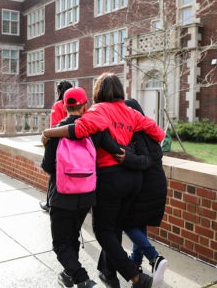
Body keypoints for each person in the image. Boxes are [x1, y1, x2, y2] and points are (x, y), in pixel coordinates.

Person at [42, 73, 165, 288]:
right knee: (114, 228)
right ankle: (109, 274)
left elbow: (78, 127)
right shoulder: (132, 112)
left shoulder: (98, 111)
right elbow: (159, 134)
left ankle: (136, 276)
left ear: (98, 92)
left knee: (103, 230)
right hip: (133, 179)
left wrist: (48, 133)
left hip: (109, 178)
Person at [42, 87, 125, 288]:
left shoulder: (56, 131)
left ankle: (83, 279)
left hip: (62, 196)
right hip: (86, 195)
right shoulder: (94, 129)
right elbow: (117, 150)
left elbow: (47, 166)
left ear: (64, 106)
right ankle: (69, 275)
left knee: (61, 244)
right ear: (85, 106)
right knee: (72, 237)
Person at [114, 99, 168, 288]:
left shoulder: (135, 132)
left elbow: (144, 161)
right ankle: (135, 264)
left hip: (145, 187)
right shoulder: (150, 130)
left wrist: (126, 158)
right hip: (157, 184)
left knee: (125, 222)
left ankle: (154, 258)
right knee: (139, 223)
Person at [41, 80, 74, 211]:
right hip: (75, 143)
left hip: (61, 144)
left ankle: (50, 203)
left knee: (55, 175)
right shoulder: (79, 105)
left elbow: (54, 127)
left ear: (59, 92)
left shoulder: (58, 105)